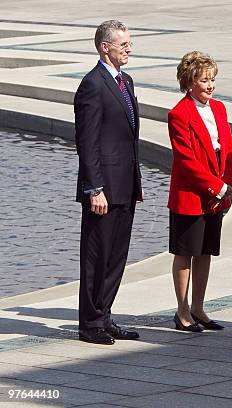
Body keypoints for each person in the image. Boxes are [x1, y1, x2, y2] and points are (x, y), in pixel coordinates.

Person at [75, 20, 141, 345]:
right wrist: (94, 188)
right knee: (96, 257)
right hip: (103, 189)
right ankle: (90, 324)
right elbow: (87, 143)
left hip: (126, 185)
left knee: (117, 256)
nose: (129, 48)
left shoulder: (124, 81)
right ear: (105, 47)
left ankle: (105, 316)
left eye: (129, 43)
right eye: (124, 44)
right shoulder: (92, 84)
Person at [167, 51, 232, 332]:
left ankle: (199, 307)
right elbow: (186, 160)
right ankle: (182, 310)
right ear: (189, 82)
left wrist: (227, 185)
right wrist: (216, 186)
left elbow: (229, 147)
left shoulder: (219, 108)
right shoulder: (179, 114)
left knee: (205, 251)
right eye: (204, 80)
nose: (210, 85)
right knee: (186, 252)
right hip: (191, 195)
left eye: (212, 80)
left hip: (216, 193)